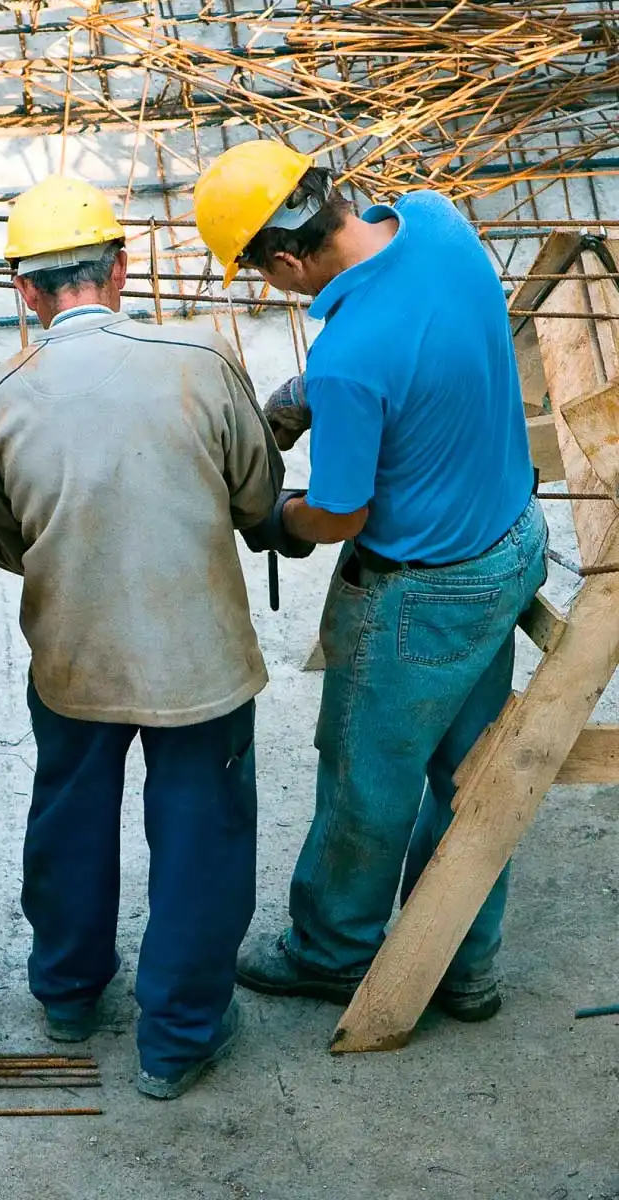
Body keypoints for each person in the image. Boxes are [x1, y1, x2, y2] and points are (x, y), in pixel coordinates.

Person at [193, 139, 548, 1020]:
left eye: (262, 275)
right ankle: (466, 966)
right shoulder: (436, 218)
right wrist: (307, 392)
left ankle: (332, 950)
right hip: (506, 541)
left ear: (282, 258)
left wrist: (275, 522)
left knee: (365, 778)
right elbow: (422, 336)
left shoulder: (352, 358)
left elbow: (339, 517)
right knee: (471, 775)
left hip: (420, 597)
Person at [0, 175, 285, 1100]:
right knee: (201, 834)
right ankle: (177, 1038)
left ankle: (68, 994)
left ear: (25, 291)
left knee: (69, 817)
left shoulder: (0, 396)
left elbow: (3, 543)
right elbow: (257, 502)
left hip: (75, 655)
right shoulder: (203, 357)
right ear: (121, 265)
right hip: (202, 660)